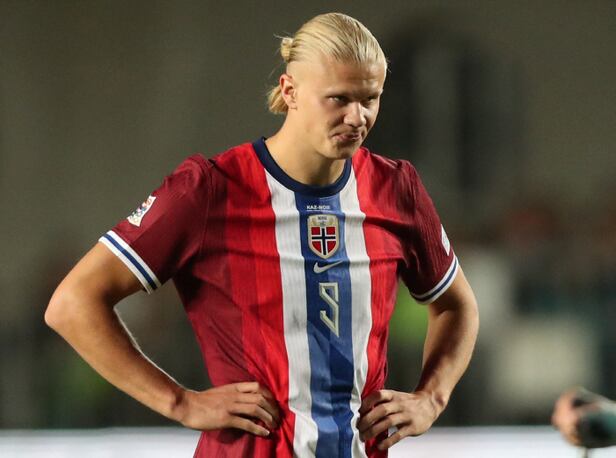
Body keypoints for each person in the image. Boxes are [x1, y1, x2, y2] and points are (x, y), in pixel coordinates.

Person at [45, 12, 479, 457]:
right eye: (339, 99)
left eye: (370, 98)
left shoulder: (396, 189)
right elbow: (73, 303)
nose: (357, 116)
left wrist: (432, 398)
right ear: (290, 91)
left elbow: (456, 305)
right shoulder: (209, 190)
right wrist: (179, 402)